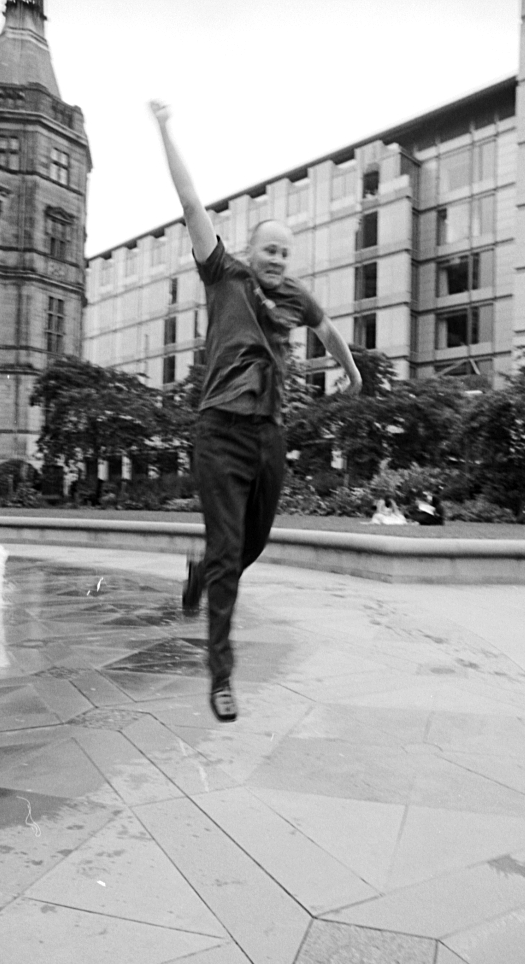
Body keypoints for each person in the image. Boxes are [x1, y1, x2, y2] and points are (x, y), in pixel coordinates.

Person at [150, 100, 362, 722]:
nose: (275, 259)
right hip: (218, 430)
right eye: (268, 249)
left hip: (269, 434)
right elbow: (190, 203)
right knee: (227, 551)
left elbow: (329, 333)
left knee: (254, 541)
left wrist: (349, 373)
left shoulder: (294, 295)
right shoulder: (224, 273)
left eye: (283, 253)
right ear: (250, 248)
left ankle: (202, 576)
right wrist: (166, 128)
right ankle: (221, 675)